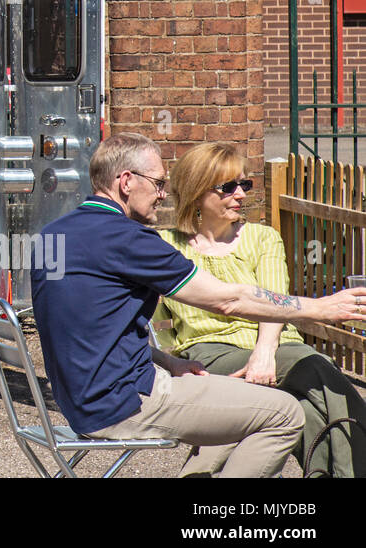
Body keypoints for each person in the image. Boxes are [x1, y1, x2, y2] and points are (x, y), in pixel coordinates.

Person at [31, 131, 366, 477]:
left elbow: (84, 329)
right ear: (127, 181)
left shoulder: (51, 236)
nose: (163, 195)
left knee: (251, 400)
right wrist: (321, 308)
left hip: (79, 403)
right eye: (159, 183)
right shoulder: (130, 241)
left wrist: (167, 360)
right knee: (285, 414)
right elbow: (228, 300)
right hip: (125, 403)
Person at [155, 142, 366, 477]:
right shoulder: (166, 246)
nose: (240, 194)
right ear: (196, 192)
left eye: (245, 185)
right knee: (317, 367)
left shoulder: (262, 238)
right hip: (212, 351)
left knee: (304, 408)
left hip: (278, 345)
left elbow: (272, 298)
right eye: (228, 187)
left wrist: (264, 353)